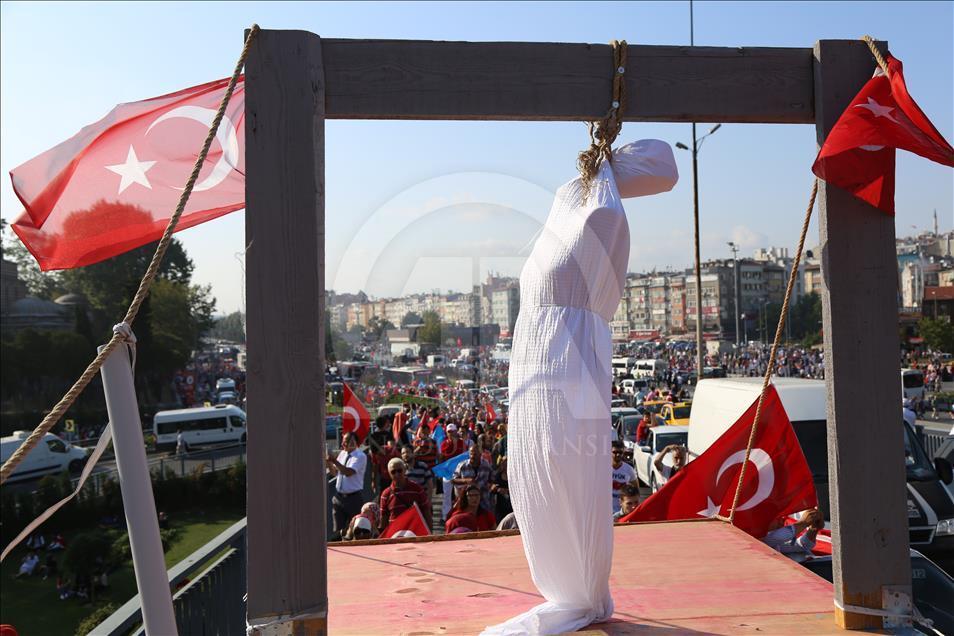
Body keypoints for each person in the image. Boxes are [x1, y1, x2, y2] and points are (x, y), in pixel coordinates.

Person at [484, 140, 679, 636]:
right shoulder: (583, 204)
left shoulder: (595, 212)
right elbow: (663, 171)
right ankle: (575, 587)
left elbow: (666, 168)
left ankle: (580, 588)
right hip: (549, 354)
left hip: (562, 353)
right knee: (543, 466)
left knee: (564, 465)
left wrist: (609, 156)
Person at [327, 432, 367, 540]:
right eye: (344, 441)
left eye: (347, 441)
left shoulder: (360, 456)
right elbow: (335, 473)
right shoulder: (343, 454)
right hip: (339, 497)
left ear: (355, 442)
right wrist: (329, 462)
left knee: (354, 528)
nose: (344, 444)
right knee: (338, 530)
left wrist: (334, 460)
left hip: (353, 498)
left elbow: (348, 472)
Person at [378, 457, 432, 533]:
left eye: (399, 470)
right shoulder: (386, 494)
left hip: (415, 533)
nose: (397, 474)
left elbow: (427, 513)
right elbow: (383, 520)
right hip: (395, 535)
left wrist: (430, 534)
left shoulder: (417, 489)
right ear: (389, 474)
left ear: (405, 470)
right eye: (393, 472)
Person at [452, 443, 493, 510]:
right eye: (471, 453)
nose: (472, 456)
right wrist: (465, 481)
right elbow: (453, 480)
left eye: (475, 454)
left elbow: (492, 479)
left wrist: (490, 486)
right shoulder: (462, 465)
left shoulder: (486, 465)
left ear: (480, 454)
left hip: (483, 501)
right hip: (466, 501)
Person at [440, 423, 467, 521]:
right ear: (447, 433)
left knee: (460, 494)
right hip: (448, 472)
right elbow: (442, 458)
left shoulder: (462, 443)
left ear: (456, 432)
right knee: (447, 495)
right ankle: (445, 516)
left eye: (452, 431)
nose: (451, 433)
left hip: (459, 472)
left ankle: (460, 514)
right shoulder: (444, 444)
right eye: (449, 432)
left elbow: (465, 457)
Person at [611, 442, 637, 514]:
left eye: (620, 452)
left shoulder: (629, 469)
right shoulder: (602, 468)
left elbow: (636, 490)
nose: (618, 454)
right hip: (604, 509)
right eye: (615, 452)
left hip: (621, 512)